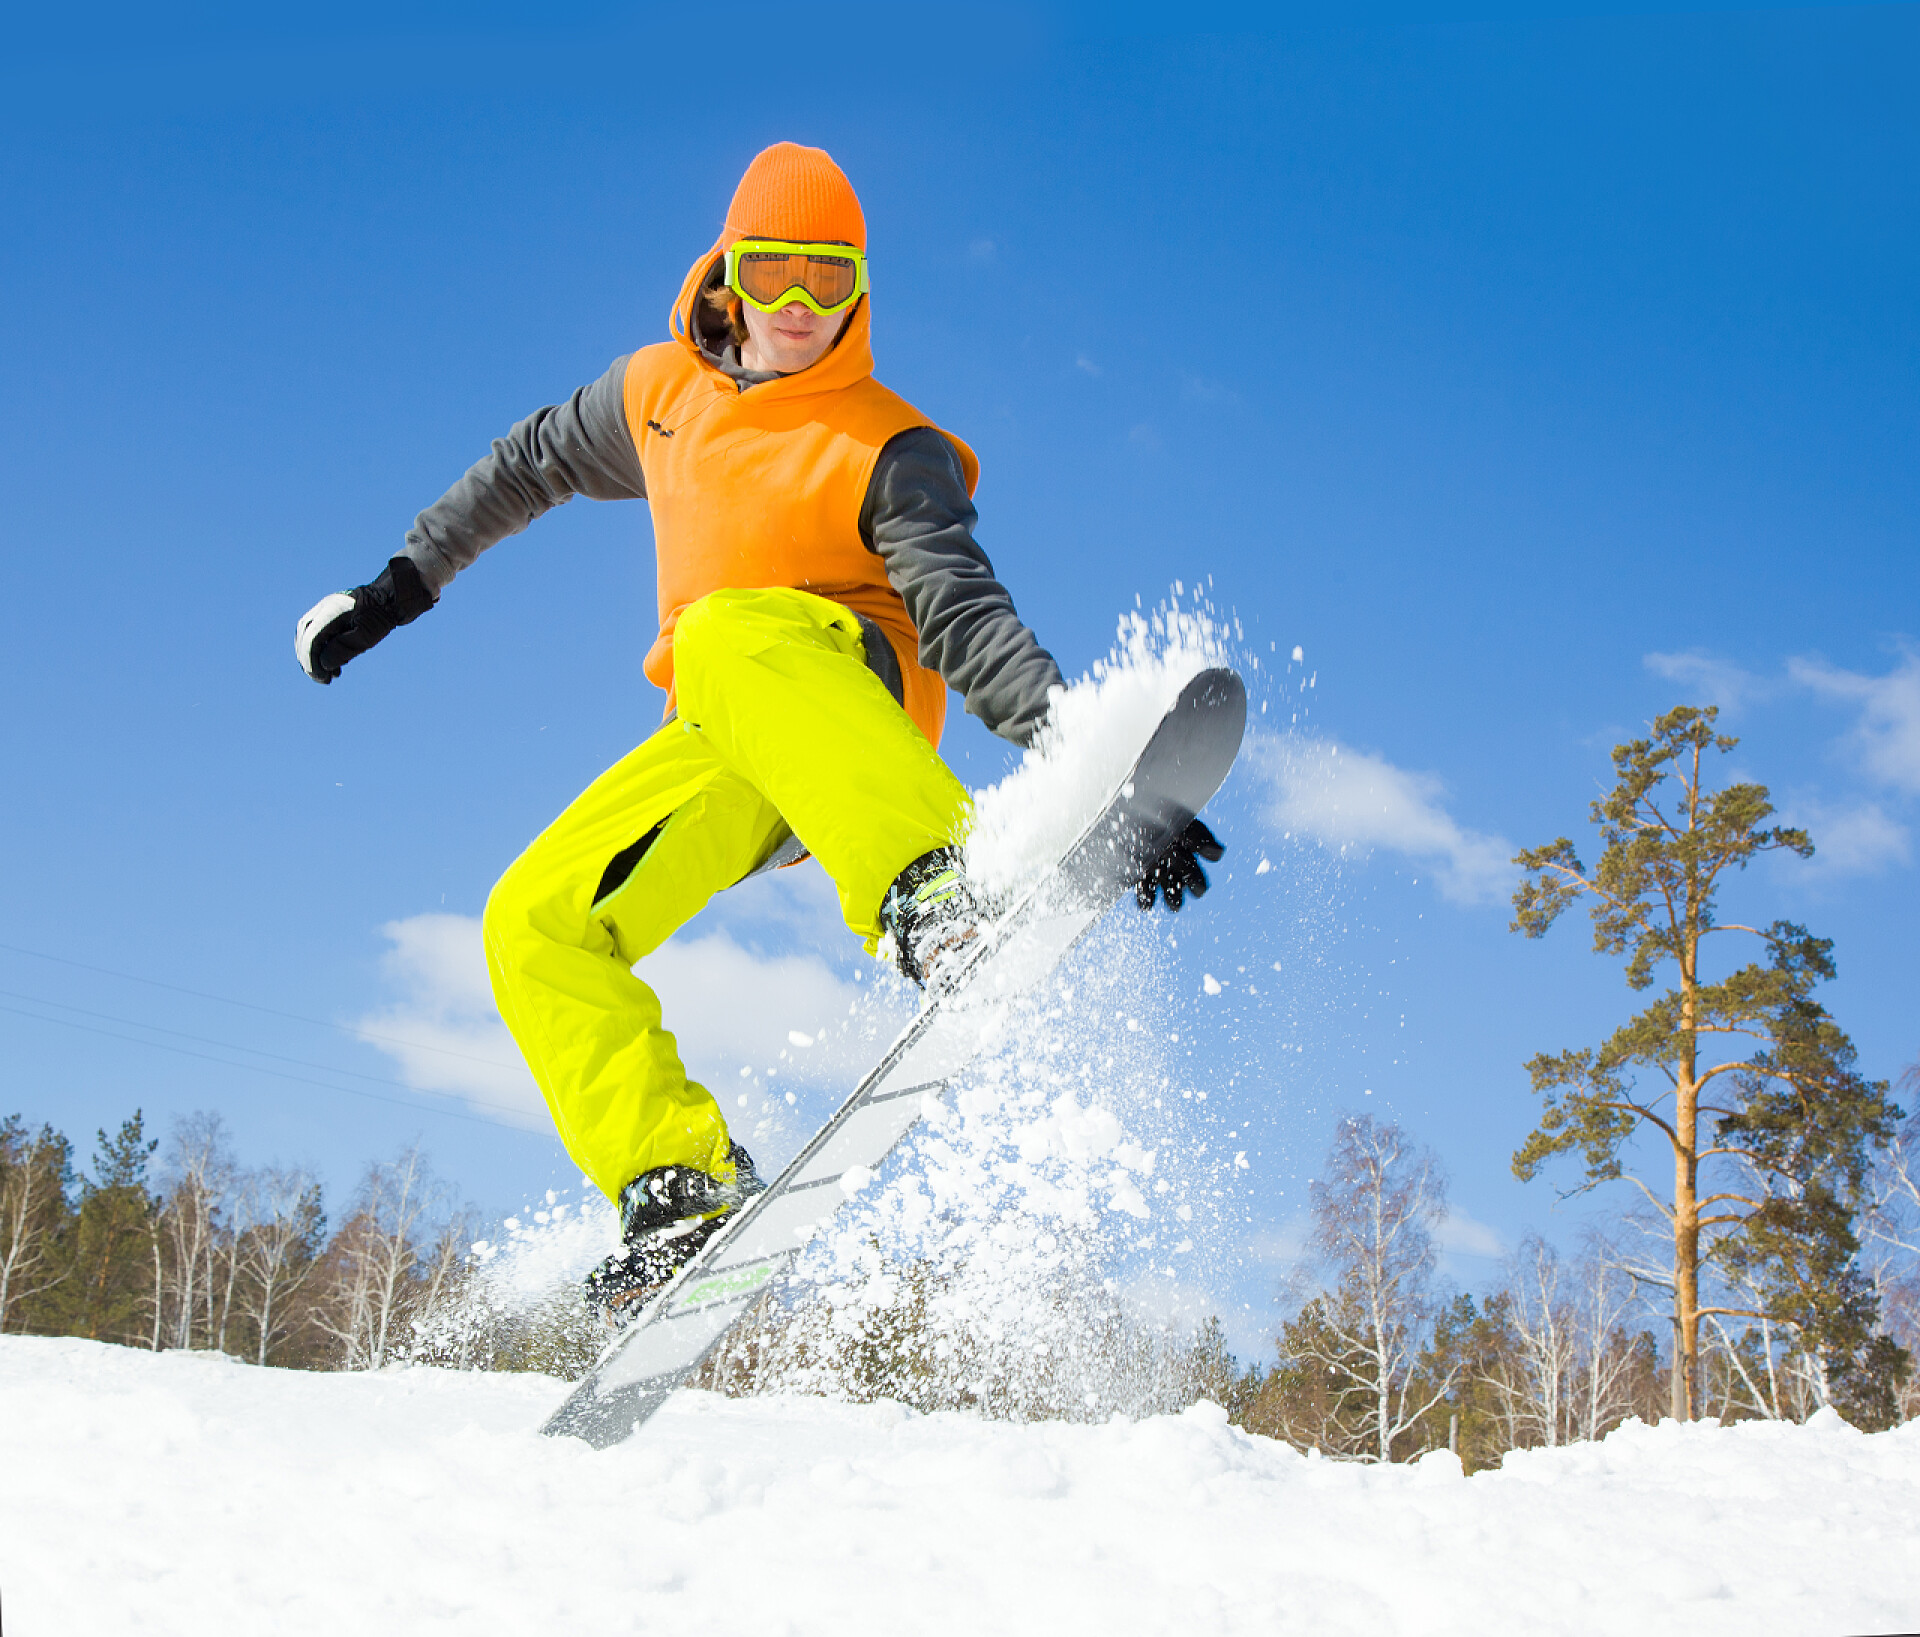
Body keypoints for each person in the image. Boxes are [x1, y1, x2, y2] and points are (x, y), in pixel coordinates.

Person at [294, 142, 1222, 1321]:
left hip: (853, 717)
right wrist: (398, 587)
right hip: (730, 733)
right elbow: (527, 463)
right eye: (775, 270)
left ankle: (938, 889)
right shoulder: (654, 395)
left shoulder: (890, 447)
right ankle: (677, 1180)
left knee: (724, 627)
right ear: (730, 268)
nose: (797, 305)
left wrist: (1084, 760)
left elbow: (964, 614)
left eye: (828, 278)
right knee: (531, 920)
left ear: (860, 289)